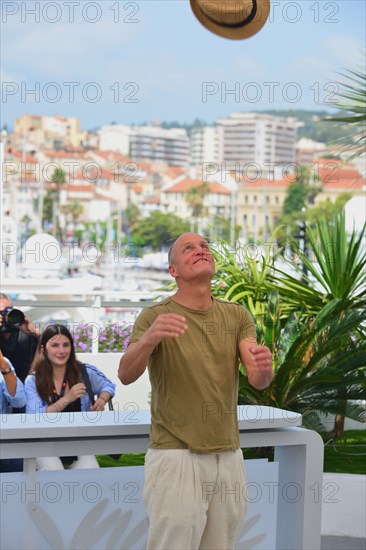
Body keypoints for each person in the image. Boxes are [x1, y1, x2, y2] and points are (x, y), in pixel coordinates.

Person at [118, 232, 274, 550]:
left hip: (228, 453)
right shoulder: (153, 316)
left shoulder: (237, 315)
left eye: (204, 246)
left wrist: (265, 368)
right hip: (176, 455)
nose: (200, 250)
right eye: (188, 248)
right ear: (173, 270)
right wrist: (149, 339)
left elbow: (258, 379)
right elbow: (125, 375)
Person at [25, 323, 116, 471]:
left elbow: (108, 386)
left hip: (78, 442)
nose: (61, 351)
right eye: (55, 345)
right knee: (54, 476)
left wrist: (101, 399)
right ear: (43, 349)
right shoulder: (33, 381)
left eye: (66, 345)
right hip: (45, 444)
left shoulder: (84, 371)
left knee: (91, 478)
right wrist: (67, 398)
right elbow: (36, 416)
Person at [0, 293, 40, 383]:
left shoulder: (26, 337)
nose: (4, 316)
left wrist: (34, 331)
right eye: (1, 313)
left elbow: (53, 350)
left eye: (8, 311)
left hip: (24, 390)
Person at [0, 349, 26, 472]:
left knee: (19, 461)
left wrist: (3, 366)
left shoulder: (4, 363)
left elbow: (19, 402)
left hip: (3, 438)